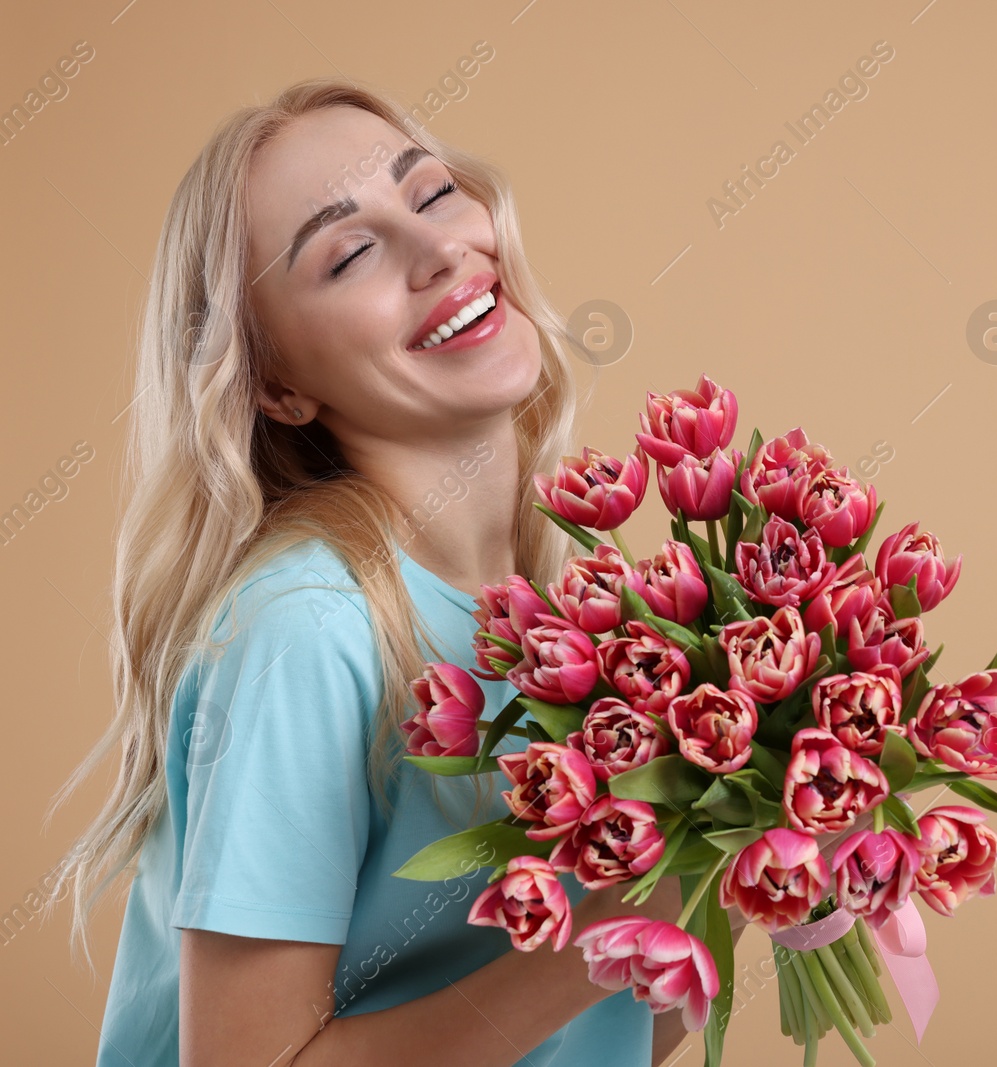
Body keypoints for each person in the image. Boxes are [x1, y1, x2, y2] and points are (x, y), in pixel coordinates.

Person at [42, 76, 730, 1066]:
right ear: (277, 384)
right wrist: (616, 924)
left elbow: (587, 1039)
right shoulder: (307, 627)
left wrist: (756, 869)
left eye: (434, 192)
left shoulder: (581, 608)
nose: (439, 249)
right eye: (351, 251)